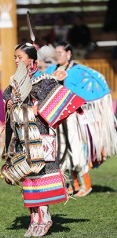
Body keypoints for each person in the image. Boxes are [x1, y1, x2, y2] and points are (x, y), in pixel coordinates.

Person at [0, 43, 70, 237]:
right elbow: (7, 97)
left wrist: (35, 108)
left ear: (31, 61)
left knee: (40, 176)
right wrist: (11, 103)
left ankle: (45, 218)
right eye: (15, 57)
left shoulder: (44, 80)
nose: (16, 61)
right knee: (27, 177)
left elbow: (53, 102)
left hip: (40, 136)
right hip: (22, 137)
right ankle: (34, 219)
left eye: (19, 57)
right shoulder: (16, 82)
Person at [45, 41, 117, 197]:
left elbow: (95, 82)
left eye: (60, 53)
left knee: (76, 149)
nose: (57, 56)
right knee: (61, 151)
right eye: (56, 53)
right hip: (56, 118)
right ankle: (72, 185)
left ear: (69, 54)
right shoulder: (50, 70)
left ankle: (86, 185)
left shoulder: (79, 71)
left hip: (74, 118)